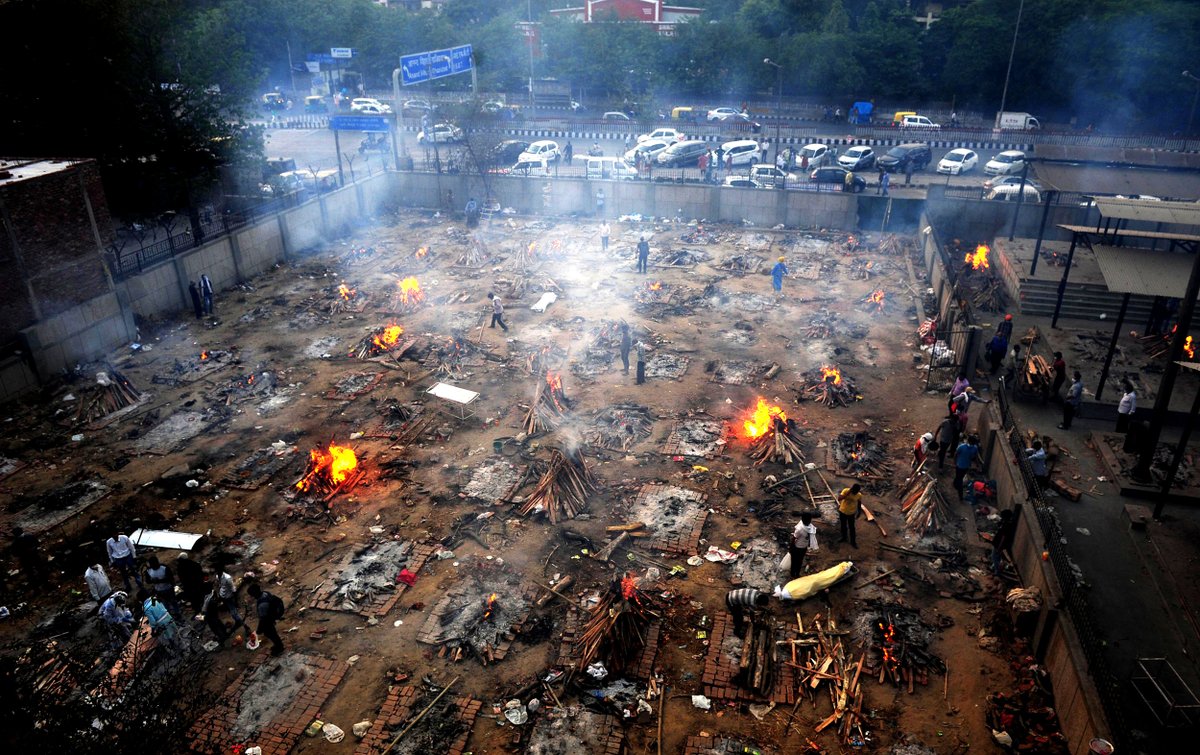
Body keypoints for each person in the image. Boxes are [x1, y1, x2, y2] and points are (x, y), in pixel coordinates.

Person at [247, 583, 286, 656]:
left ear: (255, 593)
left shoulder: (262, 605)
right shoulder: (265, 593)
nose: (251, 596)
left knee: (271, 634)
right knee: (272, 633)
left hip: (268, 619)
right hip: (271, 614)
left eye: (252, 594)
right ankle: (277, 645)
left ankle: (279, 648)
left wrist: (259, 629)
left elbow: (263, 619)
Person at [211, 566, 243, 631]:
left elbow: (233, 590)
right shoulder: (218, 576)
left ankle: (245, 626)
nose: (217, 573)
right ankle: (238, 622)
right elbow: (220, 586)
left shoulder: (227, 578)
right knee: (232, 612)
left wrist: (236, 602)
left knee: (234, 613)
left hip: (229, 598)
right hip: (223, 597)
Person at [788, 512, 817, 580]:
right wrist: (791, 547)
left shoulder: (809, 527)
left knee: (798, 561)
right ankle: (793, 574)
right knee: (796, 561)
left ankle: (796, 574)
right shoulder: (800, 529)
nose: (810, 521)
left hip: (803, 547)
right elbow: (794, 538)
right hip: (798, 548)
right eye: (809, 520)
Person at [954, 435, 981, 501]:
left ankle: (960, 494)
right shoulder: (975, 448)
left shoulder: (961, 447)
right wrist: (977, 465)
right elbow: (976, 457)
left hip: (959, 465)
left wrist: (955, 462)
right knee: (960, 477)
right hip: (966, 466)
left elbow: (956, 454)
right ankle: (955, 483)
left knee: (959, 479)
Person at [992, 510, 1016, 577]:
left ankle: (997, 571)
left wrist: (999, 546)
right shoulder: (1006, 523)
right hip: (998, 543)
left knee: (994, 557)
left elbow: (1003, 537)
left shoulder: (1006, 525)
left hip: (999, 544)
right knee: (997, 557)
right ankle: (996, 568)